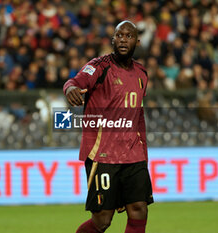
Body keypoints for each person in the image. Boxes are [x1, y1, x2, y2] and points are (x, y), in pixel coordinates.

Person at [63, 21, 153, 233]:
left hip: (134, 155)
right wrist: (70, 90)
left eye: (128, 36)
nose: (123, 39)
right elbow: (74, 81)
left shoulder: (142, 74)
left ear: (137, 41)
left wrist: (144, 153)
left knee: (139, 208)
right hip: (103, 155)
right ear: (113, 40)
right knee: (103, 219)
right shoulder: (99, 66)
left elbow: (139, 116)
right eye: (119, 35)